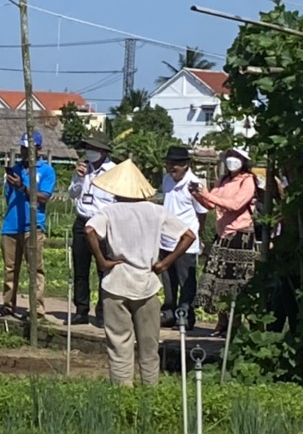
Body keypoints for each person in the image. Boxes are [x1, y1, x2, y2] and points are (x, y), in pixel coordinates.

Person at [85, 160, 195, 386]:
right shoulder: (156, 211)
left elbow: (89, 230)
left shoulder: (109, 211)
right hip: (146, 284)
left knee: (119, 344)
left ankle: (122, 390)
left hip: (116, 282)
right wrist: (165, 263)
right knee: (149, 345)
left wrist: (102, 260)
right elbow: (189, 236)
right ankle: (150, 390)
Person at [191, 147, 258, 335]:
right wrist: (197, 194)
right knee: (216, 277)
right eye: (230, 156)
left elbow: (236, 204)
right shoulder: (223, 180)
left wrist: (207, 194)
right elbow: (212, 203)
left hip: (240, 234)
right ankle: (221, 322)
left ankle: (234, 324)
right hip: (223, 234)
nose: (232, 160)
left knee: (235, 280)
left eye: (237, 157)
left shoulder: (248, 180)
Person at [0, 132, 56, 321]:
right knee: (10, 268)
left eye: (28, 149)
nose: (24, 151)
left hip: (32, 225)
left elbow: (44, 197)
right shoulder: (16, 170)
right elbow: (7, 196)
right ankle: (8, 304)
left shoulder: (45, 171)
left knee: (34, 268)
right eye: (22, 148)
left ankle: (37, 308)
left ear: (38, 149)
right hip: (11, 225)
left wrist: (23, 187)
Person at [66, 132, 116, 325]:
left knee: (104, 268)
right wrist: (78, 178)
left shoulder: (113, 171)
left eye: (94, 148)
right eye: (88, 148)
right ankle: (81, 309)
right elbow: (72, 194)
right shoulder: (83, 168)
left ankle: (103, 312)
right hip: (82, 220)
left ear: (103, 150)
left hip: (103, 223)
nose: (90, 152)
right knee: (80, 268)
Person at [159, 145, 207, 330]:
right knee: (169, 282)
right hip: (166, 240)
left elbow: (201, 213)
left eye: (176, 165)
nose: (172, 168)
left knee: (186, 281)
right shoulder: (166, 180)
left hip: (186, 242)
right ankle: (169, 313)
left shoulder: (194, 184)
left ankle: (186, 316)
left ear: (185, 165)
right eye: (169, 164)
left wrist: (197, 233)